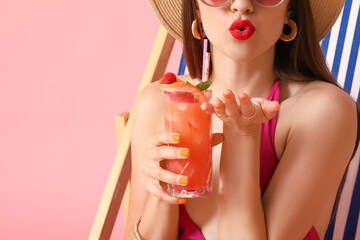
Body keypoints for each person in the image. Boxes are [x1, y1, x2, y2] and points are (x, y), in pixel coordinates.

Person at [125, 0, 359, 239]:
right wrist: (163, 195)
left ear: (290, 10)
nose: (242, 5)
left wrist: (242, 136)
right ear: (196, 8)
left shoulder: (323, 110)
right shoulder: (158, 101)